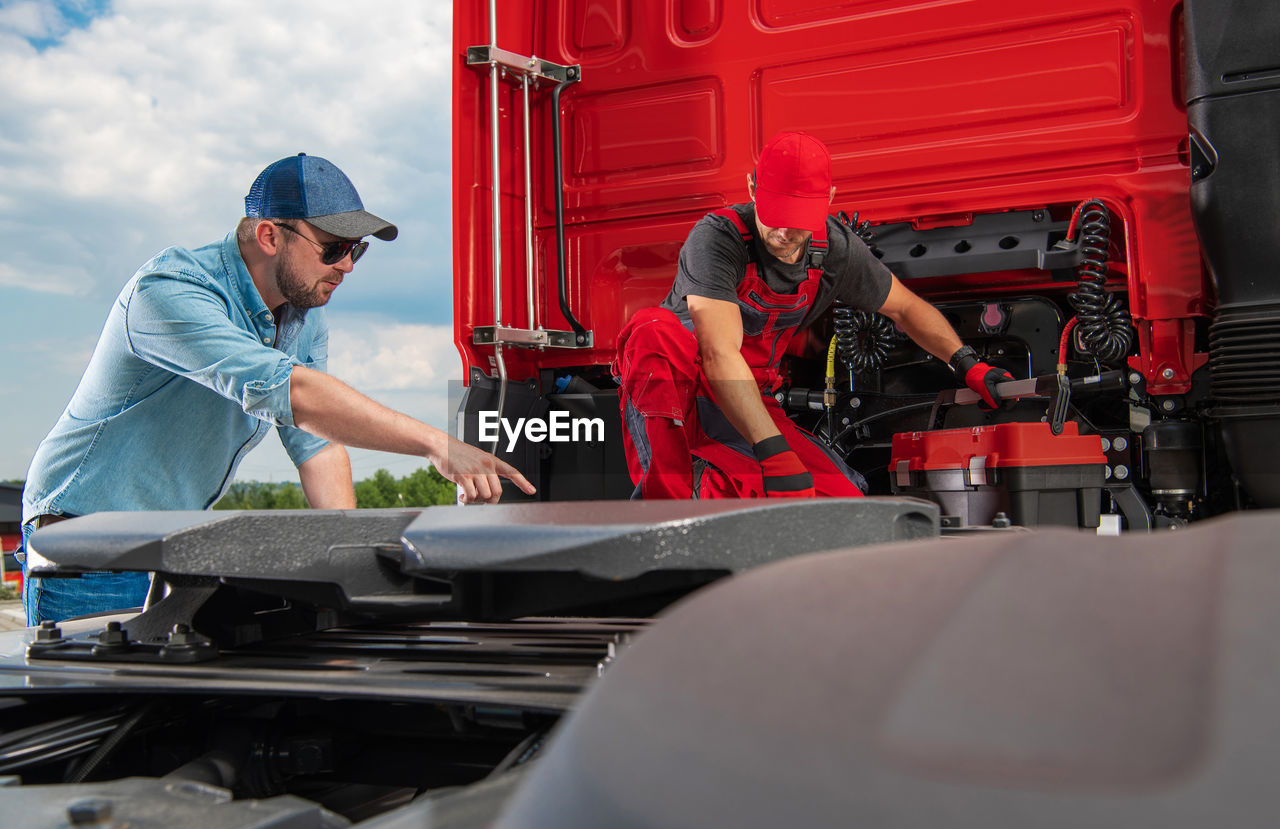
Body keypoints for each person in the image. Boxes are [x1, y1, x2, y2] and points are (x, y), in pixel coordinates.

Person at [19, 153, 534, 626]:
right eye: (333, 248)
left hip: (166, 550)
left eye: (357, 249)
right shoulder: (170, 292)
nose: (348, 266)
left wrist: (351, 572)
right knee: (103, 715)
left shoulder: (301, 312)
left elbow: (319, 444)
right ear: (269, 235)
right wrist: (437, 444)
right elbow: (294, 394)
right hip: (86, 549)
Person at [614, 131, 1009, 499]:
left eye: (798, 217)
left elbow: (905, 306)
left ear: (829, 199)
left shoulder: (835, 249)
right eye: (775, 213)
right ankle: (669, 512)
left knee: (842, 505)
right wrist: (772, 452)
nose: (785, 231)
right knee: (653, 330)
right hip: (685, 396)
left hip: (751, 402)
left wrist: (967, 363)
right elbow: (719, 354)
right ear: (752, 188)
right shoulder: (718, 238)